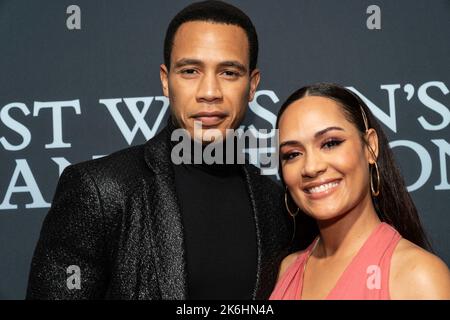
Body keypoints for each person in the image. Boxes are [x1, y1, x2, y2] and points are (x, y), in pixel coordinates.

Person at [26, 0, 291, 299]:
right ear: (166, 81)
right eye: (190, 71)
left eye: (229, 73)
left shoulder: (273, 203)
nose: (209, 92)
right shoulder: (101, 191)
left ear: (252, 85)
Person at [270, 83, 450, 300]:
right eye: (292, 154)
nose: (311, 167)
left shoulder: (419, 277)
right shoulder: (285, 270)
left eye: (331, 143)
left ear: (370, 147)